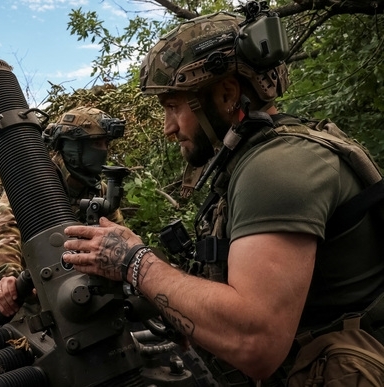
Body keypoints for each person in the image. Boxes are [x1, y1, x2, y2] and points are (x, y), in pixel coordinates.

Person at [61, 9, 384, 386]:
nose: (168, 129)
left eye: (173, 107)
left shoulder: (276, 167)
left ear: (227, 94)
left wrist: (135, 262)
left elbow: (256, 341)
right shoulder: (267, 155)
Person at [0, 106, 126, 318]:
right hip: (24, 286)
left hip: (71, 286)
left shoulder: (98, 189)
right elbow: (4, 232)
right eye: (97, 143)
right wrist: (7, 277)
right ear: (72, 147)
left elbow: (118, 236)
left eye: (106, 144)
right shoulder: (37, 178)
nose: (103, 151)